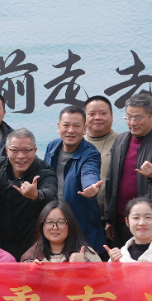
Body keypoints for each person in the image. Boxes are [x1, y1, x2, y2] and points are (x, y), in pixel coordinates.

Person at [102, 92, 152, 246]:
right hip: (121, 221)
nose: (132, 123)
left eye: (138, 118)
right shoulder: (120, 140)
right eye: (129, 117)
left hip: (149, 224)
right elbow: (111, 180)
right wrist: (109, 219)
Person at [44, 106, 106, 255]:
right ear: (59, 127)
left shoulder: (90, 153)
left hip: (80, 225)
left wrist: (91, 187)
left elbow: (90, 172)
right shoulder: (52, 147)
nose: (70, 130)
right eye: (66, 125)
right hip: (53, 223)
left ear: (84, 129)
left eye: (76, 126)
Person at [0, 129, 58, 259]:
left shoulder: (44, 171)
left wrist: (36, 195)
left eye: (26, 150)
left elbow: (51, 195)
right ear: (7, 151)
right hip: (1, 246)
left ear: (35, 151)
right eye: (15, 150)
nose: (20, 156)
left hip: (33, 248)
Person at [21, 201, 97, 263]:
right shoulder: (30, 257)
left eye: (61, 222)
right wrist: (32, 273)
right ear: (41, 225)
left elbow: (100, 276)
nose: (55, 227)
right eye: (49, 222)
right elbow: (22, 277)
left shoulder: (86, 255)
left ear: (71, 224)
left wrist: (85, 266)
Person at [84, 96, 118, 214]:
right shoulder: (77, 144)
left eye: (103, 113)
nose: (97, 117)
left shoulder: (123, 142)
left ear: (112, 116)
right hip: (80, 216)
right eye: (92, 114)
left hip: (113, 216)